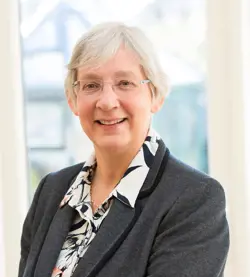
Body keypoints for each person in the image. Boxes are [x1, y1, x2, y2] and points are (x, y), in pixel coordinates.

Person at [18, 22, 229, 277]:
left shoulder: (193, 201)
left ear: (156, 95)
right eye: (91, 85)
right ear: (73, 100)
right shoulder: (52, 191)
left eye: (125, 83)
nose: (107, 102)